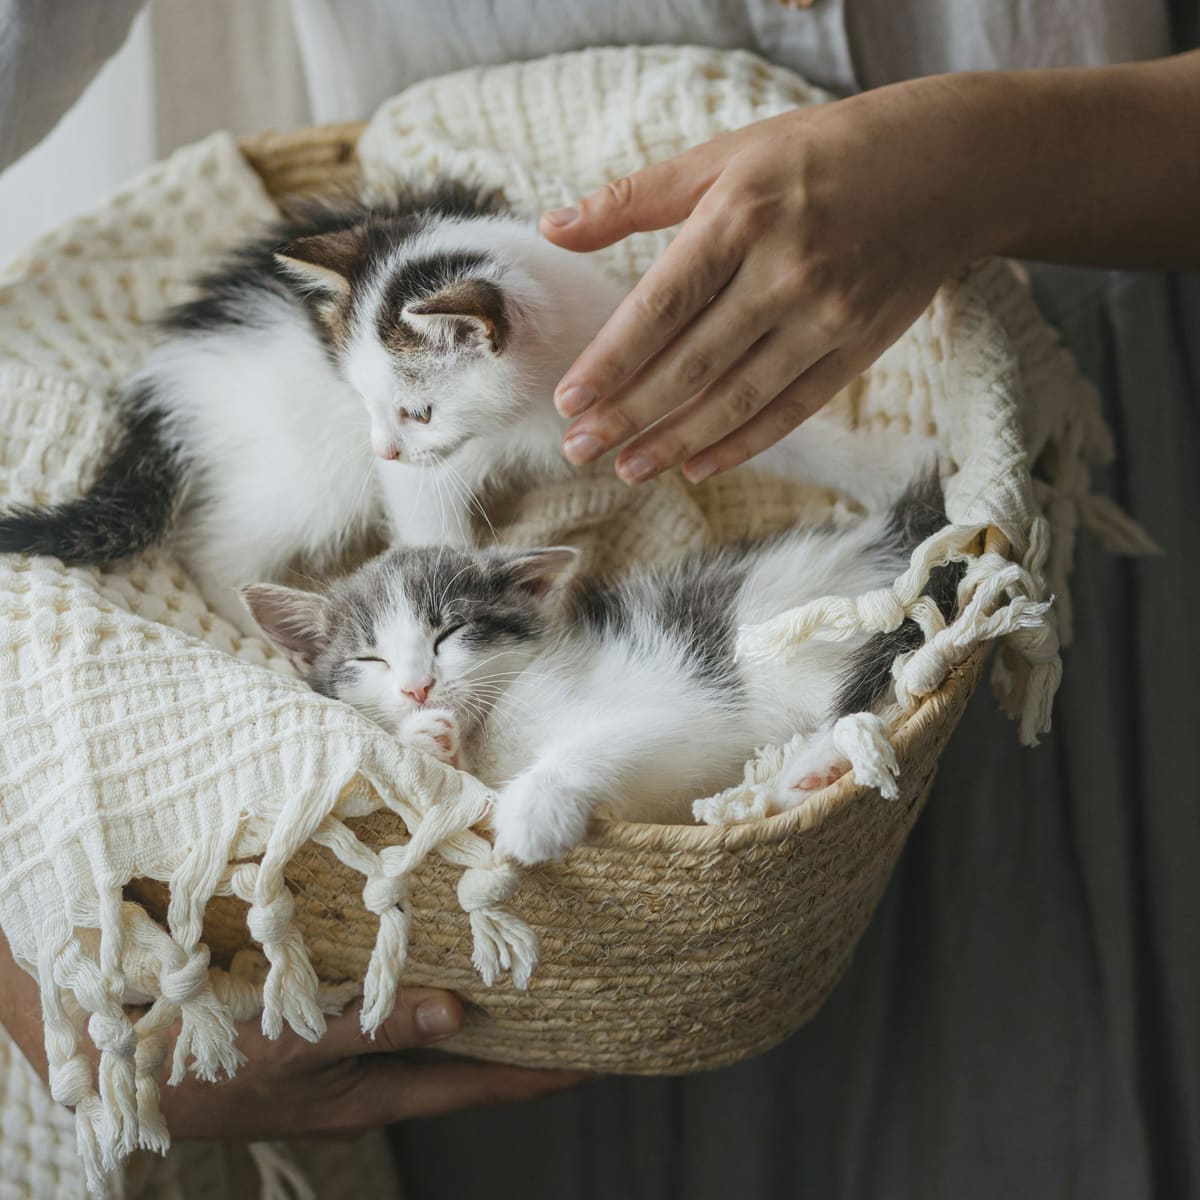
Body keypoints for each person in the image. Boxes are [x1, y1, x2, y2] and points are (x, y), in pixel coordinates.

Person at [0, 2, 1196, 1196]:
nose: (390, 450)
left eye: (404, 420)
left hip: (1085, 416)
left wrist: (989, 160)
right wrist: (22, 971)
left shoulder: (512, 341)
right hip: (507, 962)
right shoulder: (403, 402)